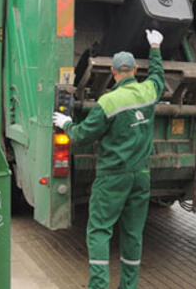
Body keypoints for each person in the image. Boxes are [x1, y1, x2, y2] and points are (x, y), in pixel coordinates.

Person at [53, 29, 165, 289]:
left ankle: (99, 286)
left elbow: (82, 136)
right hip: (141, 176)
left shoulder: (108, 101)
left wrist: (67, 124)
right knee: (133, 234)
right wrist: (156, 48)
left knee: (100, 231)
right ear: (135, 70)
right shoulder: (149, 92)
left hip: (113, 177)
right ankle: (128, 286)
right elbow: (159, 77)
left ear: (114, 73)